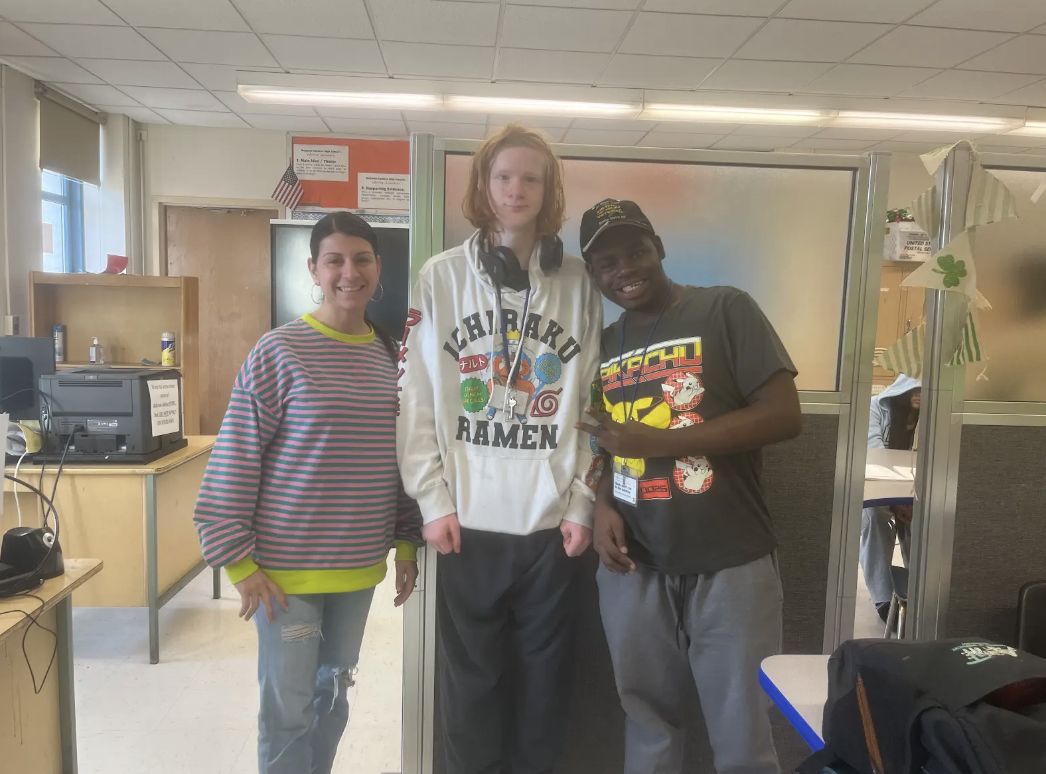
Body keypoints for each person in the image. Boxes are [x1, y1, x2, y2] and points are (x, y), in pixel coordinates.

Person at [397, 124, 602, 774]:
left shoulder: (579, 283)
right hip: (467, 521)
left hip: (550, 526)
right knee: (470, 690)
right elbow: (418, 397)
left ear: (550, 191)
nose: (516, 191)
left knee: (545, 694)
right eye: (504, 177)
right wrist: (430, 499)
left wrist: (583, 505)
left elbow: (593, 402)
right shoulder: (440, 277)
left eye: (531, 178)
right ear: (484, 186)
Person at [576, 199, 802, 774]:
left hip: (729, 560)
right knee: (646, 717)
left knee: (743, 730)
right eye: (607, 263)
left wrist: (656, 444)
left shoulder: (725, 309)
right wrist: (602, 504)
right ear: (593, 275)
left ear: (660, 248)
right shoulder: (601, 347)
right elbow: (606, 441)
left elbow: (783, 416)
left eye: (636, 252)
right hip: (635, 565)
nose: (625, 269)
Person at [193, 211, 423, 774]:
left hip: (358, 568)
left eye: (361, 258)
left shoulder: (390, 358)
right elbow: (234, 459)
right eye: (335, 260)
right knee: (289, 709)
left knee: (333, 695)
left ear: (378, 267)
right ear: (314, 271)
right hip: (284, 575)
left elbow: (399, 459)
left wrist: (407, 543)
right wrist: (238, 564)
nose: (350, 271)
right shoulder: (279, 352)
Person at [861, 373, 921, 622]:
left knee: (922, 518)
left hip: (919, 484)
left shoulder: (936, 416)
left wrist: (910, 500)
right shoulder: (876, 407)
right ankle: (884, 598)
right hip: (877, 480)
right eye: (914, 389)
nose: (919, 395)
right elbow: (874, 451)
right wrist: (895, 501)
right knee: (876, 515)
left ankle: (916, 591)